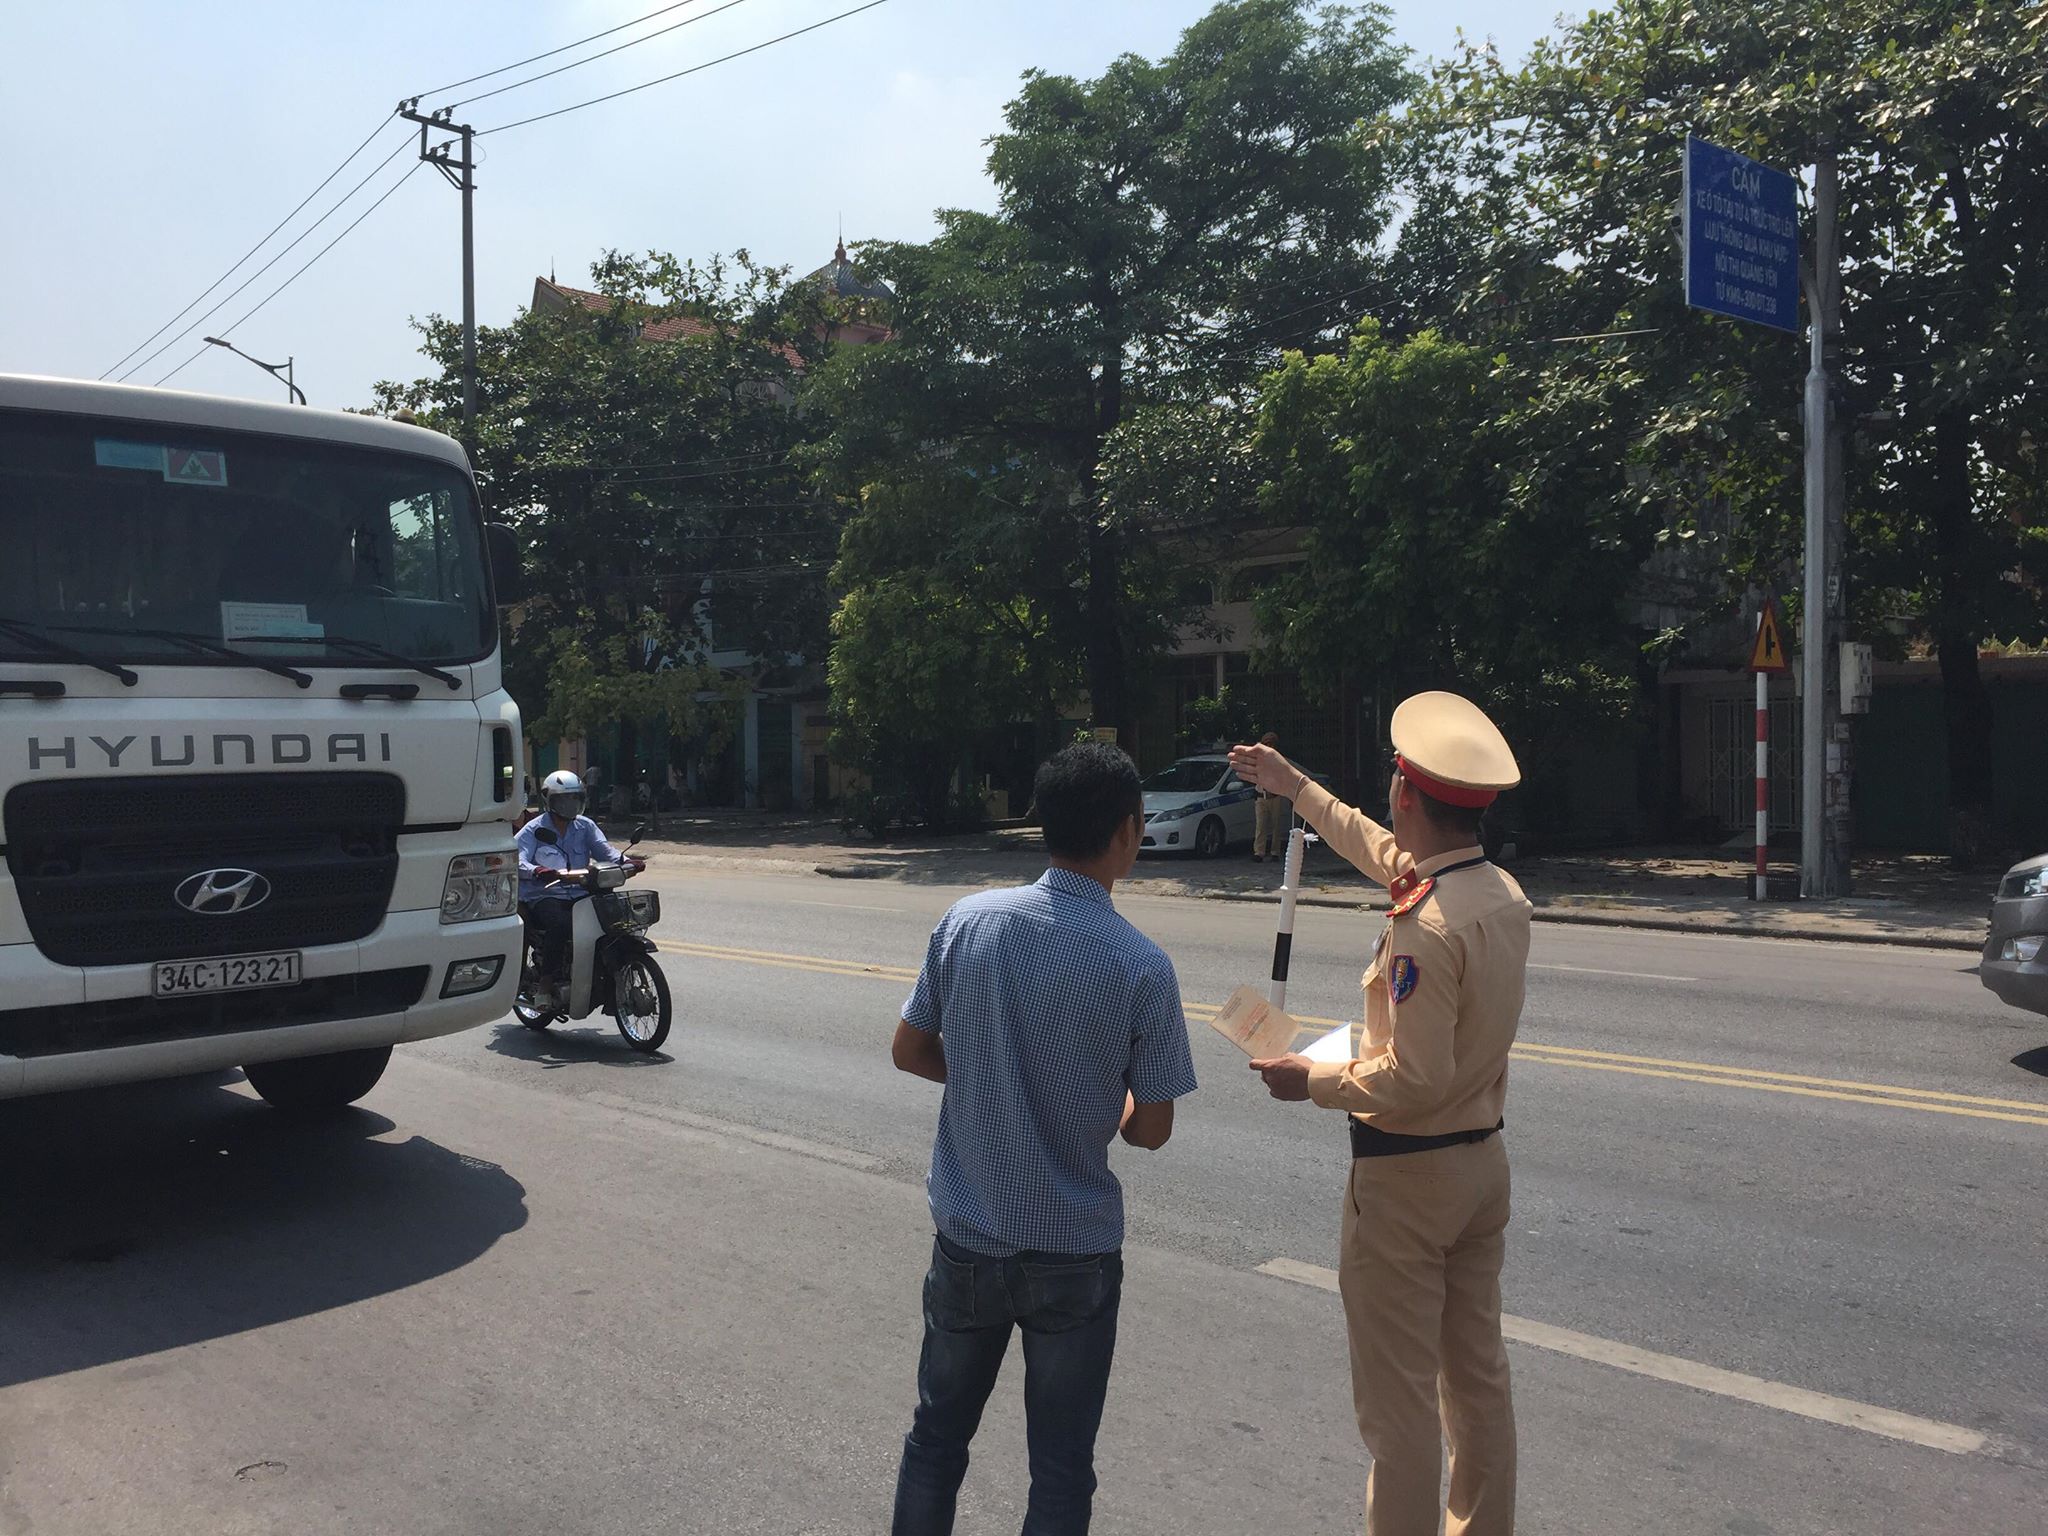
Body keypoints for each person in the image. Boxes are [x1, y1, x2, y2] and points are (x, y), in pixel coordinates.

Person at [1228, 692, 1528, 1536]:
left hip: (1408, 1181)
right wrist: (1295, 787)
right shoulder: (1493, 892)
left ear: (1406, 791)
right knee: (1478, 1386)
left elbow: (1414, 1076)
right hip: (1481, 1168)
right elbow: (1378, 847)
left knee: (1398, 1414)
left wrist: (1313, 1079)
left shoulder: (1425, 927)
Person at [888, 741, 1199, 1536]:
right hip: (1074, 1256)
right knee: (1059, 1471)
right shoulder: (1141, 965)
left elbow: (911, 1049)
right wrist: (1110, 1095)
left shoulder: (968, 921)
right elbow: (1153, 1131)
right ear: (1129, 831)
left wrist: (990, 1076)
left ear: (1042, 824)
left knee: (935, 1443)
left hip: (967, 1240)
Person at [515, 769, 625, 1002]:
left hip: (581, 890)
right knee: (561, 925)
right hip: (545, 895)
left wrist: (627, 862)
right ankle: (545, 986)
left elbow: (605, 852)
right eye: (564, 799)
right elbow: (517, 858)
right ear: (550, 800)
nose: (570, 805)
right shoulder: (534, 829)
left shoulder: (585, 826)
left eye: (574, 799)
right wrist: (537, 870)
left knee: (614, 919)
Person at [1251, 730, 1287, 863]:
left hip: (1274, 796)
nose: (1269, 746)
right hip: (1261, 796)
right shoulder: (1258, 759)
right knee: (1260, 826)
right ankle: (1259, 852)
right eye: (1266, 743)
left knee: (1276, 825)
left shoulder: (1278, 759)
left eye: (1271, 744)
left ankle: (1275, 852)